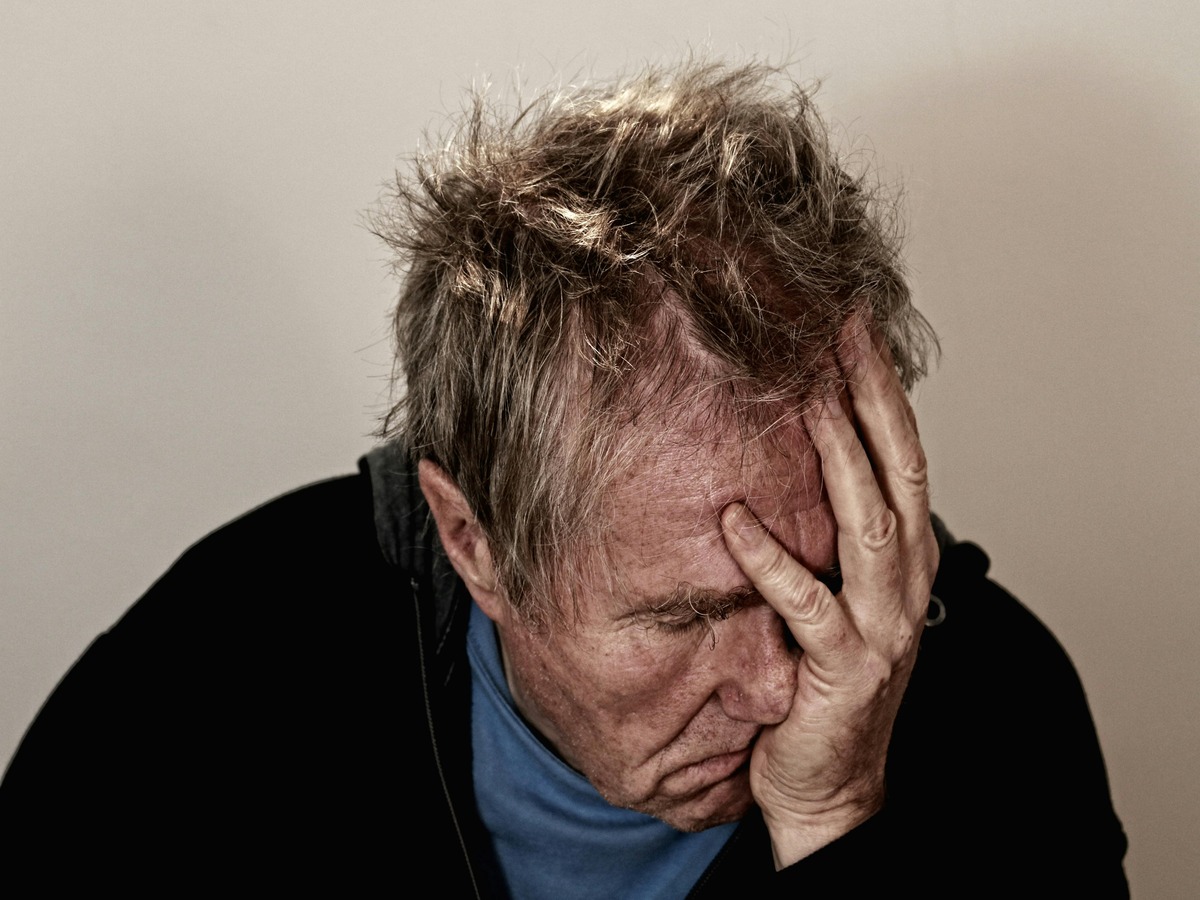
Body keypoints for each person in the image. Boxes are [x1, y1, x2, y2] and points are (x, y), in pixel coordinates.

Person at [1, 61, 1127, 895]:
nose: (783, 690)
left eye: (817, 584)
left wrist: (838, 826)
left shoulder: (996, 706)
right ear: (472, 539)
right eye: (688, 614)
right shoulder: (220, 671)